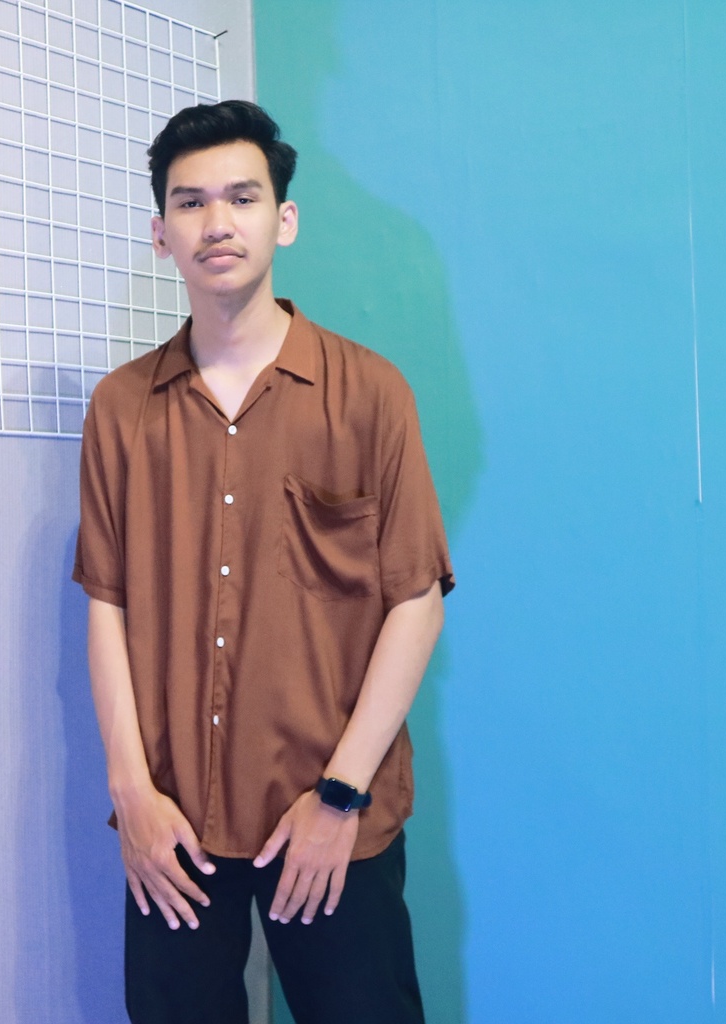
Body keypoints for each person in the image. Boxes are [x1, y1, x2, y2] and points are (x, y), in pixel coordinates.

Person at [73, 99, 454, 1024]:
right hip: (173, 827)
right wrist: (132, 795)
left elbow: (415, 600)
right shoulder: (121, 409)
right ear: (161, 234)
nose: (218, 222)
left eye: (241, 198)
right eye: (191, 202)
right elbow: (108, 604)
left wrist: (339, 796)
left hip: (331, 822)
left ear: (283, 219)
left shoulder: (370, 395)